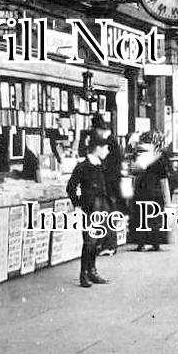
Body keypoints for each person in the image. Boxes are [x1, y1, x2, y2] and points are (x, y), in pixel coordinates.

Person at [66, 133, 113, 288]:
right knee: (89, 241)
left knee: (97, 240)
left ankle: (92, 270)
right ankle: (84, 274)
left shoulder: (101, 165)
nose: (107, 151)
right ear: (97, 148)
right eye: (105, 148)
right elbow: (71, 187)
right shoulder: (83, 166)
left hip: (101, 207)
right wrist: (78, 202)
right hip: (91, 208)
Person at [128, 131, 172, 251]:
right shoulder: (159, 157)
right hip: (156, 191)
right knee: (155, 218)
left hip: (141, 190)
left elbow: (133, 170)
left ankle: (141, 243)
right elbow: (164, 179)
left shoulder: (138, 154)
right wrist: (168, 199)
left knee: (141, 217)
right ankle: (155, 243)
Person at [89, 114, 124, 256]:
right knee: (107, 212)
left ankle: (109, 245)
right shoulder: (111, 140)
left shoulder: (108, 142)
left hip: (109, 182)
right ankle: (107, 244)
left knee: (107, 212)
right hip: (111, 181)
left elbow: (108, 162)